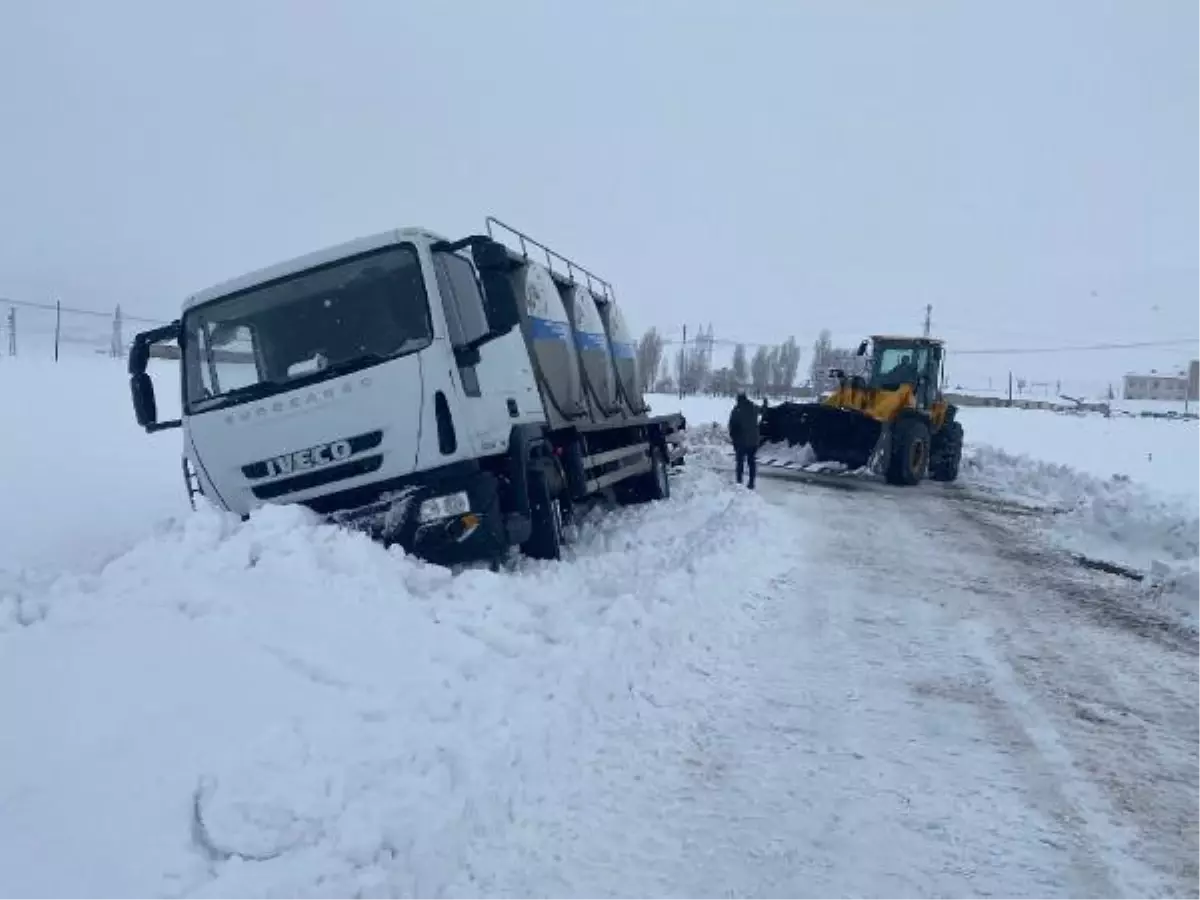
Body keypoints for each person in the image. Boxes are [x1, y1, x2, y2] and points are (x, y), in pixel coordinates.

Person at [728, 392, 760, 489]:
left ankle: (739, 483)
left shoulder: (737, 410)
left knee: (740, 462)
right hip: (753, 441)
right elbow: (763, 410)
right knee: (751, 462)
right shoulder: (753, 407)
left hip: (741, 441)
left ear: (738, 399)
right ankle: (751, 483)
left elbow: (732, 426)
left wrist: (734, 440)